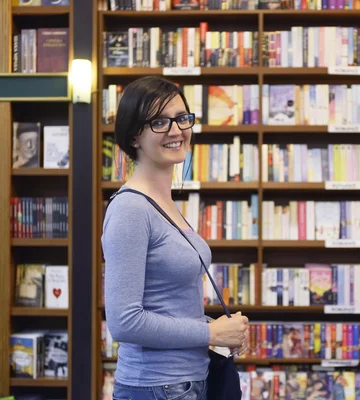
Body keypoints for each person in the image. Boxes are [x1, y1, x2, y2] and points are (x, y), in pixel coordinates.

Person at [102, 76, 250, 400]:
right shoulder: (130, 209)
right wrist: (210, 331)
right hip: (155, 386)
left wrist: (222, 330)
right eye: (159, 121)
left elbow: (167, 306)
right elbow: (124, 321)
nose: (176, 130)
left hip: (186, 382)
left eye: (182, 118)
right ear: (134, 136)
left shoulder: (166, 202)